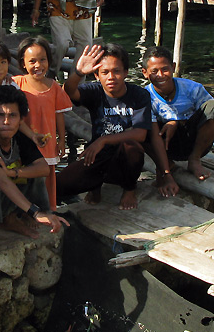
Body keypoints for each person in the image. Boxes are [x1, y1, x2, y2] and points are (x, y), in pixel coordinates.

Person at [57, 43, 152, 211]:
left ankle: (130, 188)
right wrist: (78, 73)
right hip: (97, 157)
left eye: (116, 71)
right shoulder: (95, 91)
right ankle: (95, 187)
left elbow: (140, 134)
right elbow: (68, 91)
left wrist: (104, 140)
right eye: (105, 72)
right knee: (58, 185)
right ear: (97, 74)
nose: (111, 77)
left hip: (124, 159)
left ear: (125, 73)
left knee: (132, 147)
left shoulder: (139, 95)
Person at [0, 85, 69, 237]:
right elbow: (1, 180)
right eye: (0, 116)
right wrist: (35, 212)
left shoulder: (21, 138)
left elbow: (44, 169)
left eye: (12, 116)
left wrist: (11, 172)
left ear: (21, 120)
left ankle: (15, 216)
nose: (6, 121)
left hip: (9, 188)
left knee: (34, 173)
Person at [142, 46, 214, 194]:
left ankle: (194, 159)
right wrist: (165, 172)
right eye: (154, 71)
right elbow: (151, 133)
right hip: (165, 145)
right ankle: (166, 166)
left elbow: (208, 115)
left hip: (193, 142)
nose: (160, 75)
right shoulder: (145, 97)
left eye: (165, 69)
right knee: (137, 125)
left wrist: (176, 122)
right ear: (145, 73)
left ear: (173, 67)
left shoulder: (192, 88)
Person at [13, 36, 72, 209]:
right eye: (32, 61)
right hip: (23, 142)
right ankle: (25, 211)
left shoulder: (54, 87)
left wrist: (62, 140)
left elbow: (59, 115)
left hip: (47, 142)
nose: (37, 65)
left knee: (48, 177)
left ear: (49, 61)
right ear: (23, 63)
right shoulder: (17, 84)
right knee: (25, 177)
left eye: (42, 60)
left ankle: (50, 209)